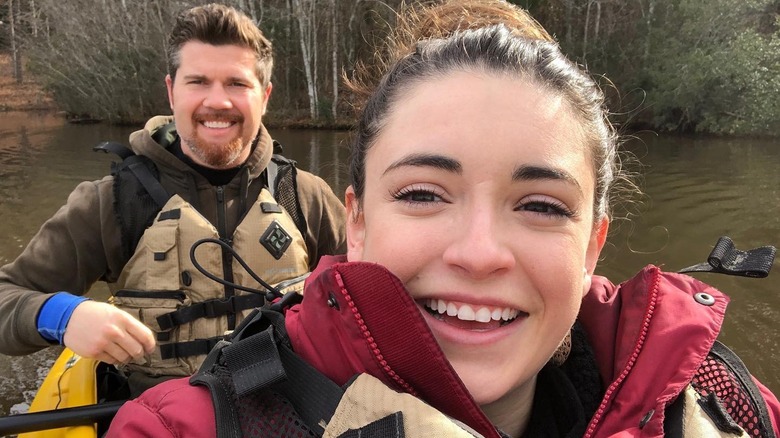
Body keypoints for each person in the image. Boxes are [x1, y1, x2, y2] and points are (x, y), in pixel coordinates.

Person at [106, 0, 780, 436]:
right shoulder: (177, 425)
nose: (481, 252)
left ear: (593, 245)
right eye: (423, 194)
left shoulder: (723, 402)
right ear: (358, 222)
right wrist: (61, 315)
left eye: (542, 206)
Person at [0, 3, 346, 392]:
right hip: (158, 419)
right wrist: (62, 315)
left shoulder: (305, 195)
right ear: (171, 91)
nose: (218, 101)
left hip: (287, 412)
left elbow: (379, 290)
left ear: (264, 96)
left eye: (237, 83)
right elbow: (7, 295)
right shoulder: (111, 202)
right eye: (198, 82)